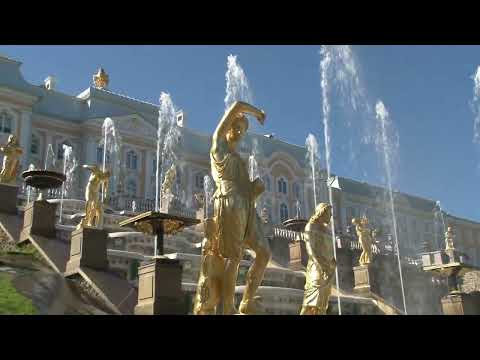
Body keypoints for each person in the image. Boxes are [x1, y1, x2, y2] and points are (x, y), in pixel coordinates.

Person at [210, 100, 271, 315]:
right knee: (233, 257)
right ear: (226, 128)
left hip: (246, 206)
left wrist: (255, 189)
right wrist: (257, 113)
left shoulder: (239, 159)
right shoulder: (217, 144)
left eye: (242, 130)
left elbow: (245, 189)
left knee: (264, 253)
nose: (238, 132)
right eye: (235, 127)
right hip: (228, 202)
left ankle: (247, 300)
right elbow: (236, 105)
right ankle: (227, 308)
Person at [300, 203, 336, 315]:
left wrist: (333, 262)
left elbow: (329, 249)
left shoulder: (328, 230)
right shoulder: (311, 226)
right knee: (310, 303)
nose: (331, 216)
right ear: (322, 212)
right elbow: (310, 249)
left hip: (329, 269)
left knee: (323, 304)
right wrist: (321, 265)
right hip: (316, 268)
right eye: (329, 213)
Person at [78, 165, 110, 229]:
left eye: (106, 177)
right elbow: (88, 167)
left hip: (96, 191)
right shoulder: (97, 170)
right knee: (88, 201)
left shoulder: (106, 179)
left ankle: (90, 221)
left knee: (94, 206)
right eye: (105, 176)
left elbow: (106, 188)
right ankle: (86, 217)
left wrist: (106, 196)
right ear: (103, 173)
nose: (105, 178)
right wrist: (83, 166)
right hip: (90, 188)